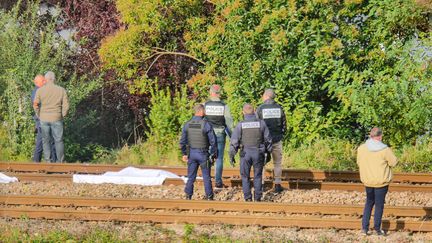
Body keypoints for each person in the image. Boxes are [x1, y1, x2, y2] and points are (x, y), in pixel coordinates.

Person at [357, 127, 397, 236]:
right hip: (381, 182)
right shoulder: (385, 149)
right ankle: (377, 229)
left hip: (368, 181)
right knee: (379, 205)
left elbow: (359, 162)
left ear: (370, 136)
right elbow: (394, 162)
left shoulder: (361, 148)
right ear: (380, 136)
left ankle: (364, 228)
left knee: (369, 203)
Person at [229, 103, 272, 202]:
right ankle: (257, 198)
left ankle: (248, 198)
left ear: (243, 112)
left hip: (245, 153)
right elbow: (268, 139)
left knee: (245, 176)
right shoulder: (261, 123)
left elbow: (234, 142)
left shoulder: (240, 125)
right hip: (258, 152)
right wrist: (268, 152)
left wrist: (232, 155)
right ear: (254, 111)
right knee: (257, 176)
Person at [180, 104, 218, 200]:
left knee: (191, 176)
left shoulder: (187, 124)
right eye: (204, 111)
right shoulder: (206, 124)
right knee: (206, 176)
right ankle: (209, 196)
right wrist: (214, 154)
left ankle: (188, 195)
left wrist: (184, 153)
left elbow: (182, 141)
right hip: (203, 154)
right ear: (201, 112)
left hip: (191, 154)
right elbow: (213, 141)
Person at [33, 71, 69, 162]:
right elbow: (66, 106)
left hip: (44, 118)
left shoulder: (40, 90)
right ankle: (60, 162)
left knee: (46, 141)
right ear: (54, 79)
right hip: (57, 118)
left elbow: (35, 104)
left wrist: (39, 114)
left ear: (45, 79)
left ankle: (48, 161)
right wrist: (62, 115)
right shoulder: (61, 90)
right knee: (58, 140)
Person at [256, 88, 287, 193]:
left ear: (266, 96)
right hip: (277, 139)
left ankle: (261, 184)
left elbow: (257, 125)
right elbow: (284, 125)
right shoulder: (279, 108)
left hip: (264, 141)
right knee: (277, 163)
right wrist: (281, 135)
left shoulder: (260, 108)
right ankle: (277, 185)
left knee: (261, 162)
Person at [204, 84, 234, 189]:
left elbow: (201, 120)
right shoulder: (224, 106)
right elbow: (229, 122)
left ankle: (207, 179)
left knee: (206, 156)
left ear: (211, 93)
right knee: (219, 158)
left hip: (207, 135)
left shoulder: (205, 105)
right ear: (219, 93)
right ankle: (218, 181)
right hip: (220, 134)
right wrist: (232, 137)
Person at [31, 75, 56, 162]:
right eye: (43, 81)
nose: (45, 82)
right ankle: (53, 166)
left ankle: (37, 164)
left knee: (42, 143)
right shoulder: (37, 92)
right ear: (37, 82)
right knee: (49, 143)